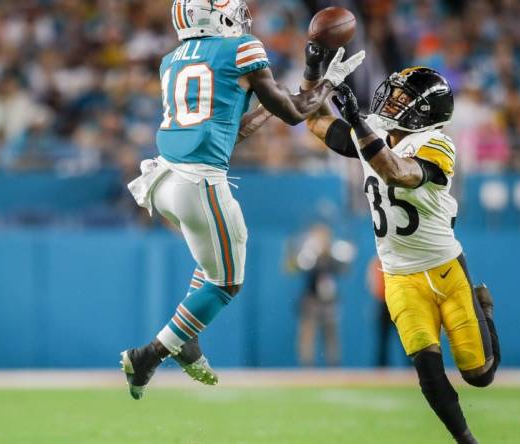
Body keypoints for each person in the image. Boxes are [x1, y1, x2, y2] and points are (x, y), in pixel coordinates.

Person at [119, 0, 365, 400]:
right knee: (226, 282)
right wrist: (327, 82)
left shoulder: (171, 60)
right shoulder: (242, 48)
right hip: (199, 181)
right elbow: (294, 112)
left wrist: (278, 105)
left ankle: (189, 339)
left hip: (163, 179)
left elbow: (233, 129)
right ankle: (149, 355)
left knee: (210, 260)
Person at [303, 58, 500, 443]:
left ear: (426, 111)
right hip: (398, 275)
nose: (390, 103)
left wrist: (359, 124)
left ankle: (486, 313)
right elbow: (313, 120)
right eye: (392, 95)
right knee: (427, 368)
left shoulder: (438, 143)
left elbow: (398, 171)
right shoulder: (377, 132)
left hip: (445, 269)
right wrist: (316, 72)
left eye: (402, 98)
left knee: (480, 374)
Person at [293, 223, 350, 367]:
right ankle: (307, 365)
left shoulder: (333, 254)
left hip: (329, 302)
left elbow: (343, 271)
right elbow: (300, 267)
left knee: (331, 335)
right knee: (308, 335)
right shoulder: (309, 253)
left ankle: (333, 364)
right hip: (312, 301)